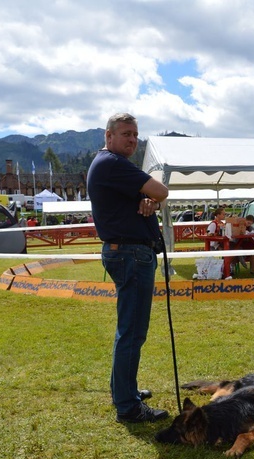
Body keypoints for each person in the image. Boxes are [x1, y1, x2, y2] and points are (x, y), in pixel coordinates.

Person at [86, 112, 169, 424]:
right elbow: (161, 191)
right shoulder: (114, 164)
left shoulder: (109, 166)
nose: (133, 140)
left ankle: (124, 391)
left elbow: (152, 197)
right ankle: (128, 405)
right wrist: (151, 196)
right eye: (126, 134)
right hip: (131, 254)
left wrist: (148, 200)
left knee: (129, 330)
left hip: (128, 252)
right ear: (109, 137)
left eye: (135, 135)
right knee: (132, 332)